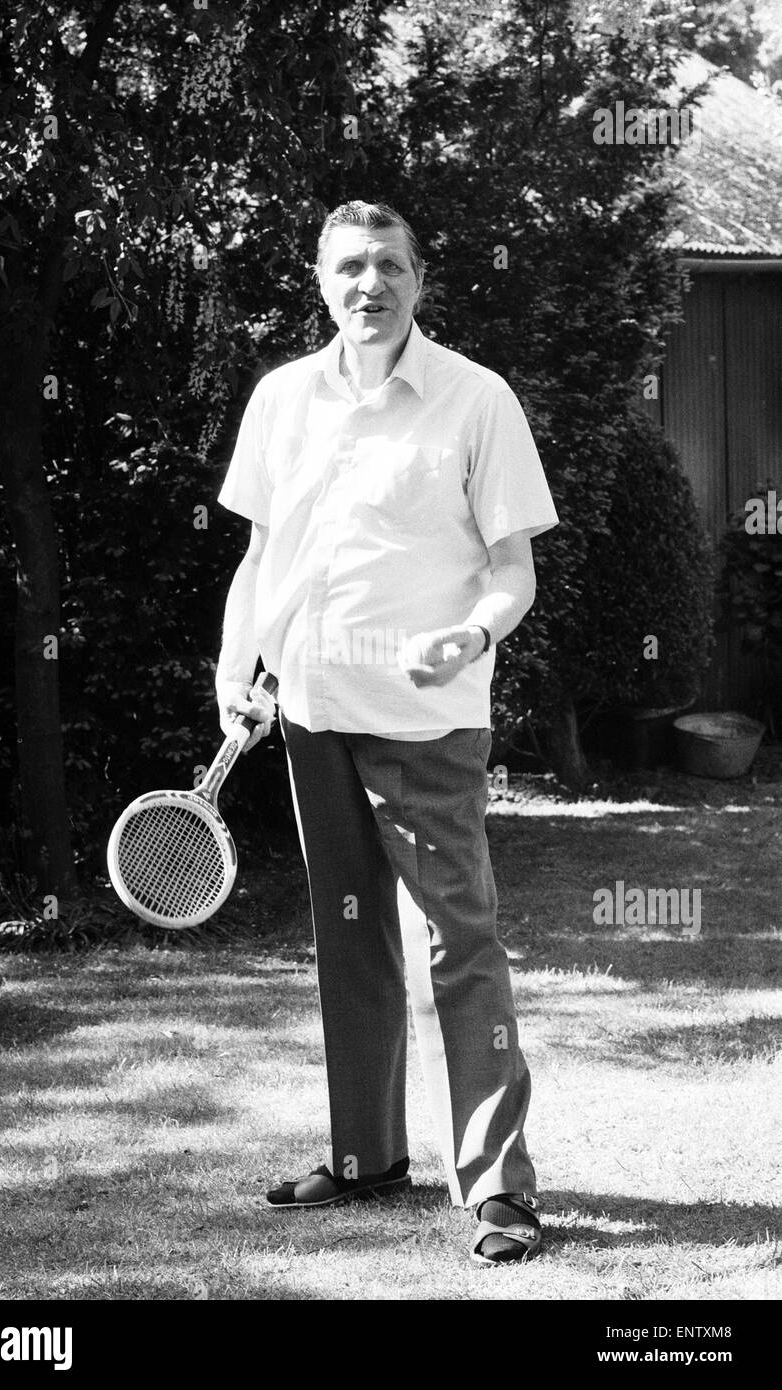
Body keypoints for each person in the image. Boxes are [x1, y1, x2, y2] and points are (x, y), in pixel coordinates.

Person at [215, 200, 559, 1265]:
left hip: (429, 726)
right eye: (350, 267)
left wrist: (469, 634)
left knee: (463, 945)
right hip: (312, 715)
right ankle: (365, 1157)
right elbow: (265, 555)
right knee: (349, 941)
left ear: (421, 279)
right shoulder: (282, 399)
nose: (371, 285)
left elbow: (514, 571)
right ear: (320, 280)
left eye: (391, 268)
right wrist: (237, 666)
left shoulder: (475, 399)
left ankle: (499, 1187)